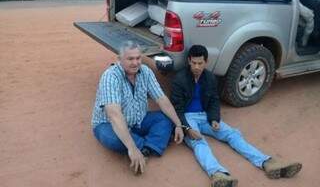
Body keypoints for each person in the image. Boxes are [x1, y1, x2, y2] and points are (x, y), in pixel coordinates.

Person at [170, 45, 302, 187]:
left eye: (200, 63)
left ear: (206, 62)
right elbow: (176, 109)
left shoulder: (210, 78)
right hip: (188, 117)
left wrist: (214, 118)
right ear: (189, 61)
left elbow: (214, 100)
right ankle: (218, 174)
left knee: (232, 134)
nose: (196, 67)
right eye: (194, 63)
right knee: (199, 142)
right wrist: (187, 128)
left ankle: (267, 162)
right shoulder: (179, 79)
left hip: (205, 116)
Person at [92, 40, 184, 175]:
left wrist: (179, 125)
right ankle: (148, 146)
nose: (135, 63)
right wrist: (132, 148)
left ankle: (144, 149)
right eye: (130, 59)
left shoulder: (145, 72)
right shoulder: (110, 76)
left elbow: (162, 99)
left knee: (166, 119)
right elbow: (114, 115)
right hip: (109, 124)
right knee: (114, 139)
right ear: (119, 59)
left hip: (139, 120)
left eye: (138, 58)